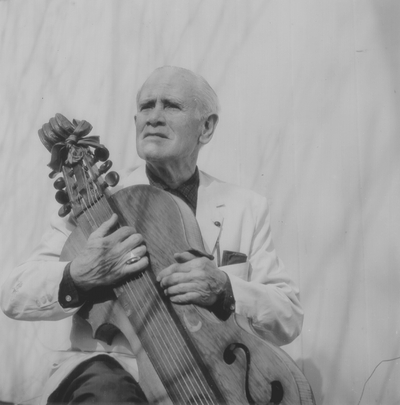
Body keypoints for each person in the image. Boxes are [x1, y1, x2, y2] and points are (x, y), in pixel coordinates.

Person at [1, 66, 303, 404]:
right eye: (146, 106)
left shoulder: (246, 207)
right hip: (119, 376)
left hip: (216, 377)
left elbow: (288, 318)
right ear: (135, 123)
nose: (154, 117)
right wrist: (78, 274)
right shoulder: (93, 205)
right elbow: (14, 294)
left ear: (206, 127)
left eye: (171, 106)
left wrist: (224, 287)